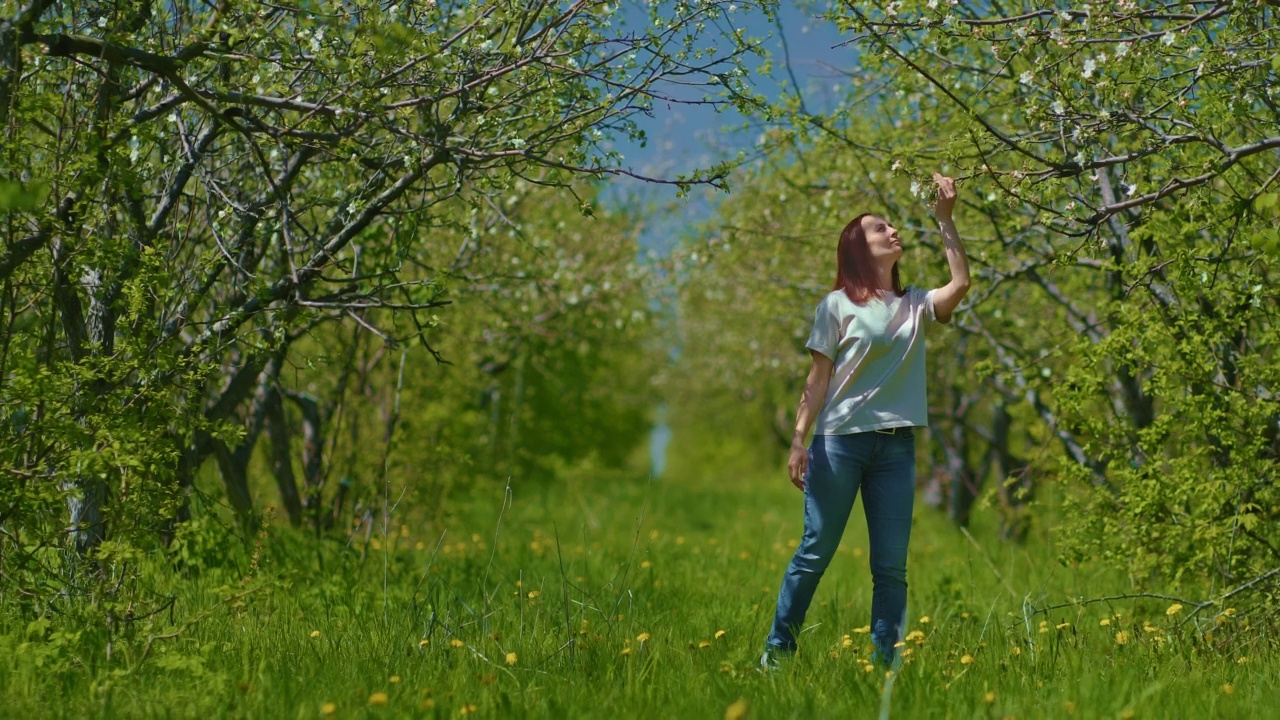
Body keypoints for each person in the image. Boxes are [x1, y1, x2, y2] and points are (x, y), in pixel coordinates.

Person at [761, 173, 970, 671]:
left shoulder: (916, 303)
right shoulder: (835, 306)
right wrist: (797, 441)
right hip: (839, 447)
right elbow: (817, 380)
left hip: (896, 450)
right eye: (880, 228)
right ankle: (777, 652)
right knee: (815, 552)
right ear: (859, 247)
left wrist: (946, 220)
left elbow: (960, 283)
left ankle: (886, 667)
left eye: (892, 225)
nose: (893, 231)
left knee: (891, 569)